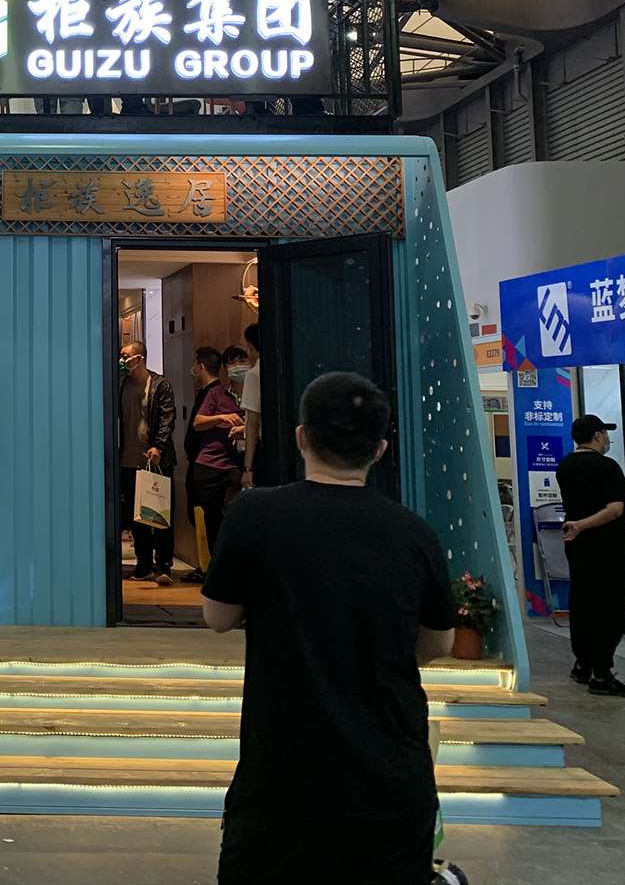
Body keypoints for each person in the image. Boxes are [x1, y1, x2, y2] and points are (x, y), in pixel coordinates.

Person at [202, 372, 455, 882]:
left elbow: (218, 616)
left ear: (301, 437)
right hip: (391, 780)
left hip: (282, 779)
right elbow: (439, 642)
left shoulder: (255, 515)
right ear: (380, 449)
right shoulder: (415, 534)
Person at [556, 414, 625, 697]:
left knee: (582, 605)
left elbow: (594, 494)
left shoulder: (565, 466)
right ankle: (602, 674)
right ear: (598, 435)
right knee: (609, 610)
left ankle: (583, 664)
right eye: (605, 433)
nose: (607, 439)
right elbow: (614, 509)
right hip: (609, 548)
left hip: (578, 549)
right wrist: (583, 525)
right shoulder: (607, 466)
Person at [118, 340, 176, 585]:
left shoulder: (160, 384)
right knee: (137, 517)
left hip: (155, 459)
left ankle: (163, 565)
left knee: (161, 513)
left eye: (125, 356)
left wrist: (158, 446)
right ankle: (143, 565)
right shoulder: (121, 385)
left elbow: (167, 418)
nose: (122, 360)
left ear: (139, 359)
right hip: (128, 459)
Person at [188, 346, 245, 567]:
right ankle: (214, 567)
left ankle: (233, 566)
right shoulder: (217, 393)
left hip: (238, 464)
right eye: (232, 362)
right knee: (211, 519)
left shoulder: (255, 390)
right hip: (209, 464)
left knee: (235, 515)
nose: (238, 366)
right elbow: (198, 423)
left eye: (242, 360)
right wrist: (222, 417)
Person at [238, 323, 263, 491]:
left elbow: (252, 424)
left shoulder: (254, 374)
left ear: (251, 346)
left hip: (262, 450)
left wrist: (248, 468)